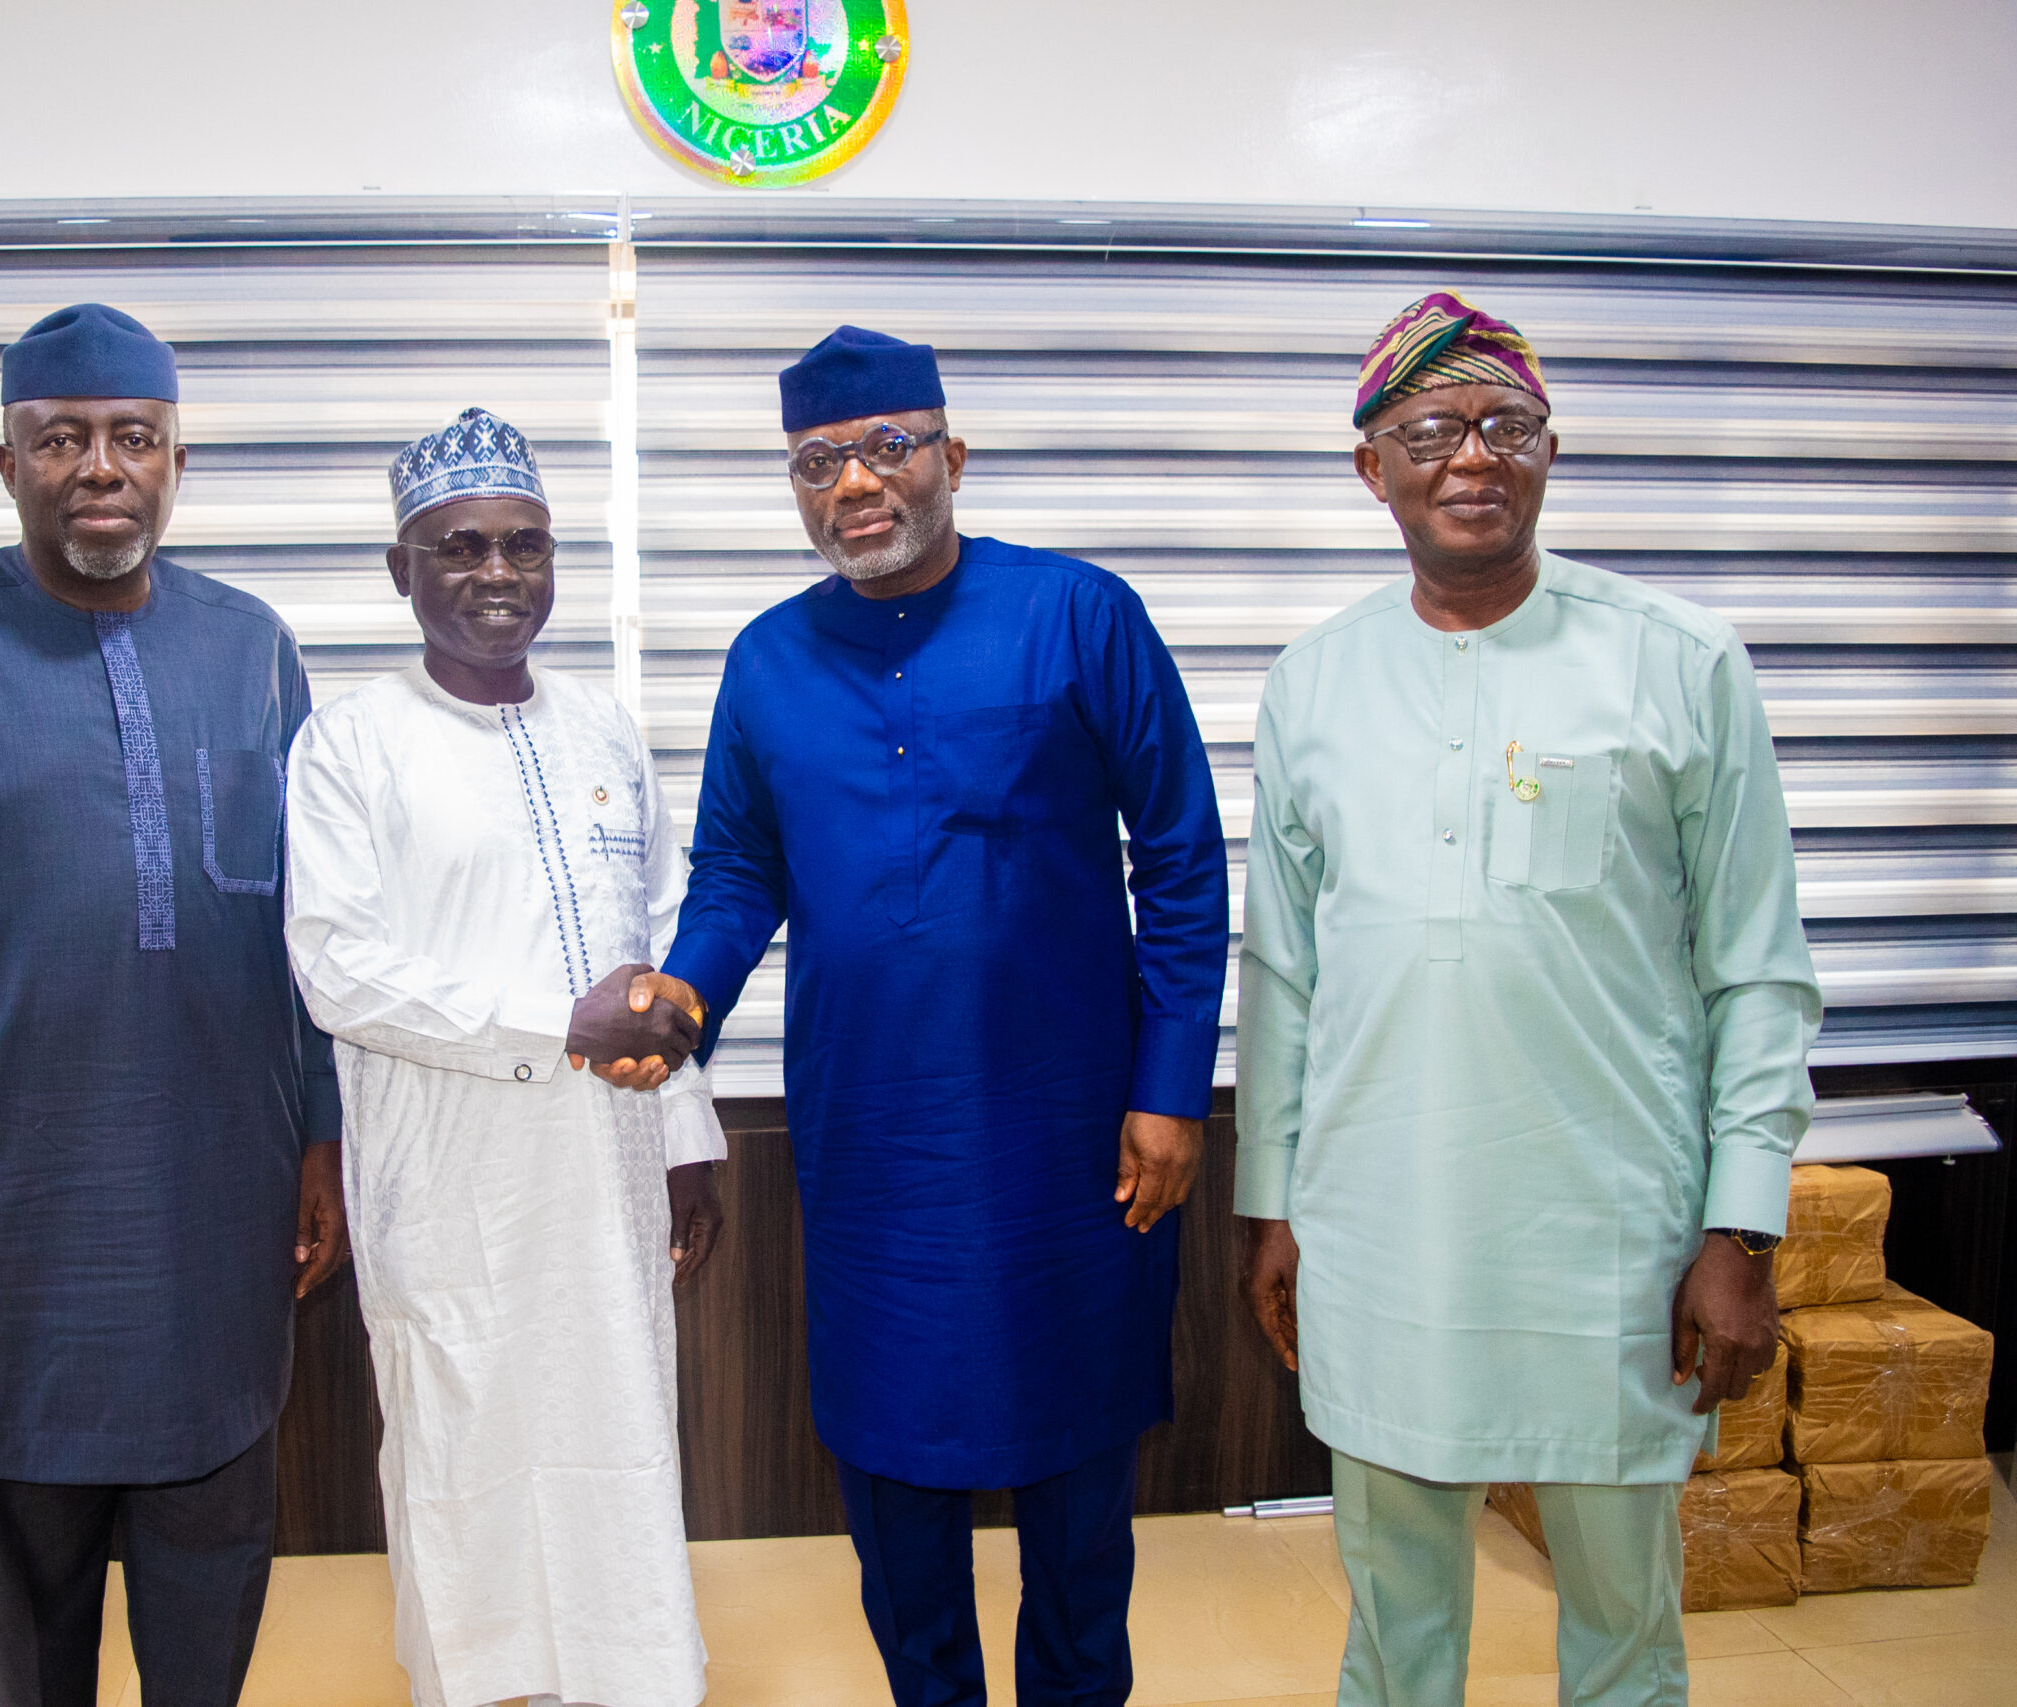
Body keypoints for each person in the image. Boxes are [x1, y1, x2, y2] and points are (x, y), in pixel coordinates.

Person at [1235, 291, 1821, 1707]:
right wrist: (1273, 1202)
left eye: (1507, 425)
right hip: (1379, 1230)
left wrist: (1741, 1228)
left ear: (1552, 451)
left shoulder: (1681, 661)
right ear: (1371, 467)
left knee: (1624, 1628)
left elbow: (1759, 969)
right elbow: (1283, 971)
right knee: (1395, 1623)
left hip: (1610, 1240)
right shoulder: (1314, 681)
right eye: (1428, 430)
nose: (1471, 457)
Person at [0, 303, 345, 1707]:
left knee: (212, 1601)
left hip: (217, 1222)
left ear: (177, 462)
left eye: (133, 438)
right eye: (61, 439)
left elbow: (317, 926)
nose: (101, 467)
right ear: (7, 463)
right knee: (29, 1636)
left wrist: (326, 1133)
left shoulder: (253, 648)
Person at [652, 328, 1230, 1707]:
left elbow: (1181, 857)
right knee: (893, 1481)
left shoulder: (1080, 614)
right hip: (877, 1146)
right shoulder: (768, 660)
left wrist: (1169, 1089)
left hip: (1073, 1142)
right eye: (818, 462)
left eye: (887, 447)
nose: (855, 482)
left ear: (952, 457)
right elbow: (736, 870)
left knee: (1078, 1482)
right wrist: (685, 995)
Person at [282, 408, 723, 1707]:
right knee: (463, 1451)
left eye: (525, 546)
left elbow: (657, 950)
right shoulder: (350, 743)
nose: (497, 573)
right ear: (402, 569)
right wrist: (555, 1028)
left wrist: (686, 1139)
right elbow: (338, 970)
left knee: (619, 1431)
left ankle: (625, 1680)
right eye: (461, 546)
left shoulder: (604, 731)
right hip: (450, 1182)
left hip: (611, 1172)